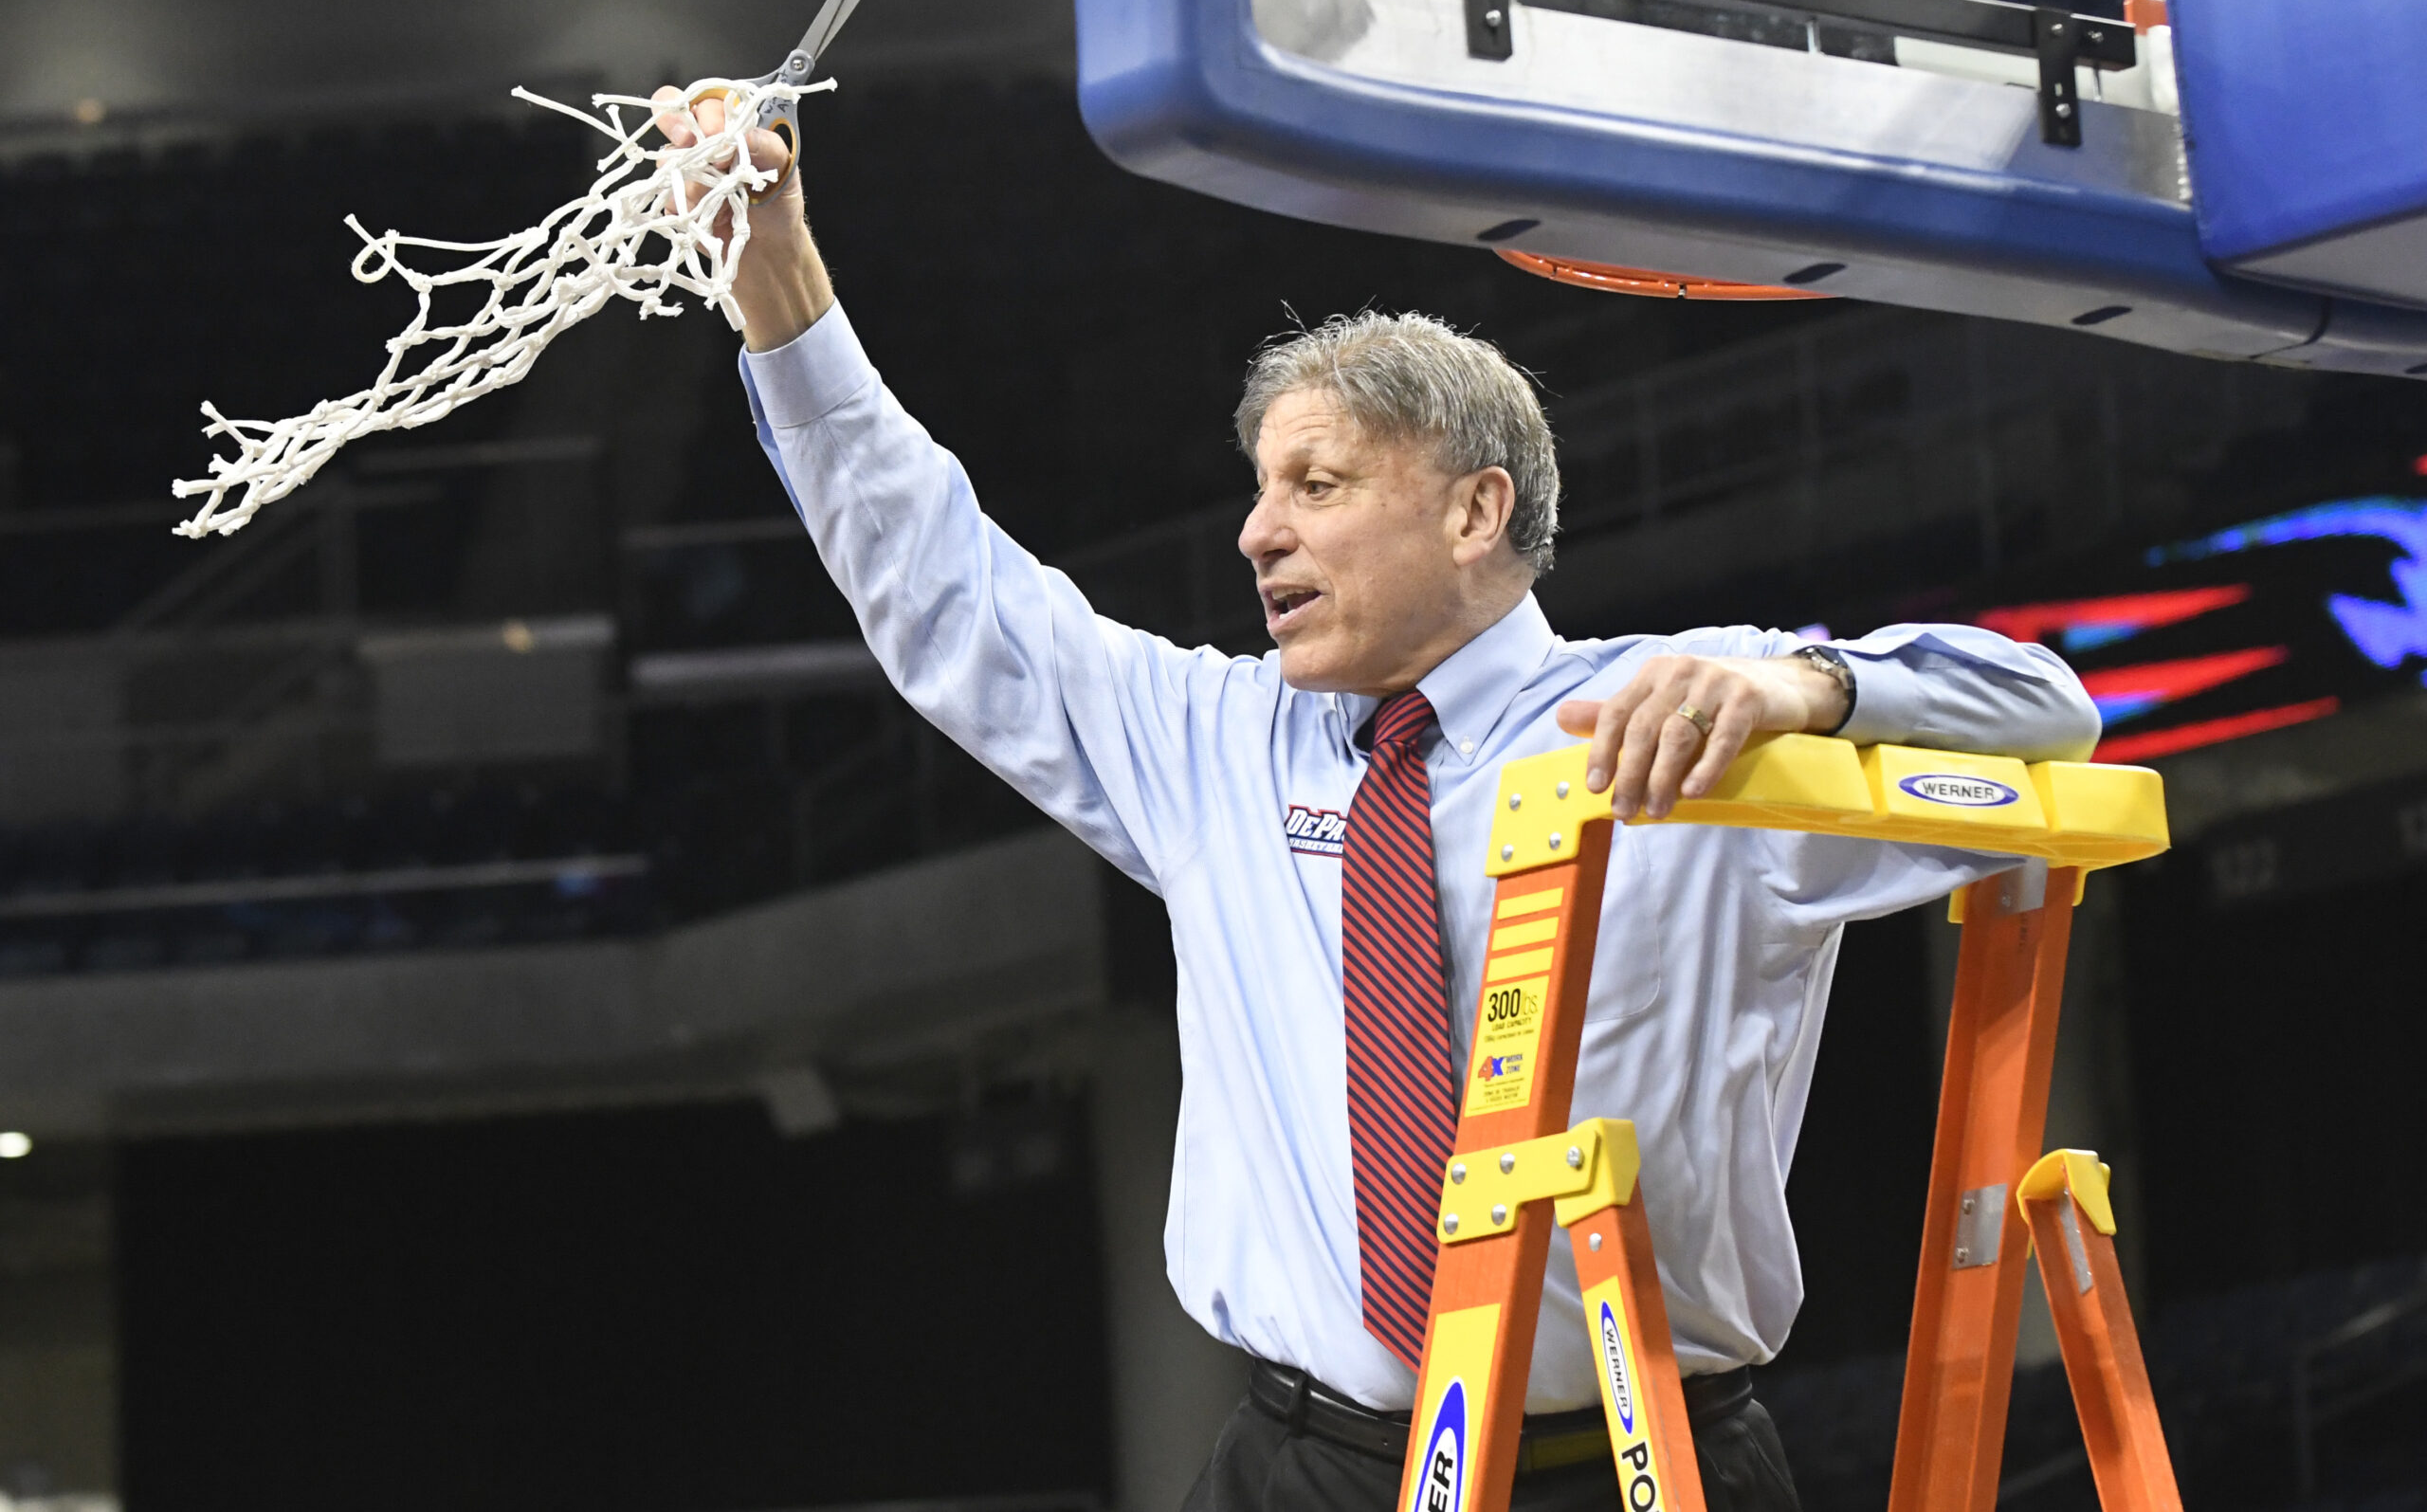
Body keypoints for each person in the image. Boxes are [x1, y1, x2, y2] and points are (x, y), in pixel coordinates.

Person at [657, 95, 2099, 1512]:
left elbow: (2054, 713)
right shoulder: (1217, 740)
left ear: (1475, 512)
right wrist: (776, 277)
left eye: (1316, 482)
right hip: (1307, 1464)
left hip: (1643, 1461)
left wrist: (1816, 692)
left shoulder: (1689, 712)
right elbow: (941, 584)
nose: (1256, 529)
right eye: (1260, 486)